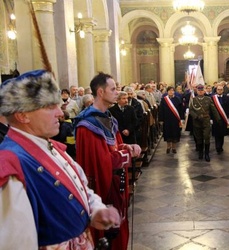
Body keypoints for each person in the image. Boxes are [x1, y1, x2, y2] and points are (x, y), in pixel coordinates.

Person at [0, 70, 120, 249]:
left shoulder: (51, 146)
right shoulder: (11, 163)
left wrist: (96, 210)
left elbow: (79, 188)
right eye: (50, 107)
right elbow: (17, 242)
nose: (60, 113)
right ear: (22, 115)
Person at [74, 72, 141, 250]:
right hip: (103, 189)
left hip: (116, 183)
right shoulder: (88, 125)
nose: (117, 92)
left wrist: (127, 147)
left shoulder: (108, 119)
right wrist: (127, 156)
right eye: (113, 89)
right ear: (101, 92)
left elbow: (116, 146)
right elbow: (101, 162)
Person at [189, 84, 220, 162]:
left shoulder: (208, 99)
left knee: (206, 137)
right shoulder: (193, 100)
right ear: (197, 91)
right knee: (199, 137)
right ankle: (200, 152)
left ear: (204, 91)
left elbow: (213, 110)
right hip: (197, 122)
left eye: (202, 90)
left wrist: (218, 119)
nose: (200, 92)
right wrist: (196, 116)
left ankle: (207, 153)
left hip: (206, 121)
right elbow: (191, 110)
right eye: (199, 90)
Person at [159, 86, 184, 154]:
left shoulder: (178, 99)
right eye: (169, 90)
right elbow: (161, 110)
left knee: (175, 133)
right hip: (167, 119)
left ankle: (174, 147)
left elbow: (181, 110)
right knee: (168, 133)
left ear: (174, 91)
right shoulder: (164, 99)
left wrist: (182, 119)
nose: (171, 92)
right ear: (167, 92)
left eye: (172, 90)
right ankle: (168, 147)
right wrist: (161, 119)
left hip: (175, 119)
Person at [211, 85, 229, 154]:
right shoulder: (212, 98)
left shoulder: (226, 98)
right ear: (216, 90)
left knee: (222, 134)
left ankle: (220, 146)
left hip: (224, 118)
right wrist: (210, 118)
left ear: (223, 90)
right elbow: (210, 109)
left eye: (221, 89)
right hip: (215, 118)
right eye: (218, 89)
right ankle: (217, 147)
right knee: (216, 134)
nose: (219, 91)